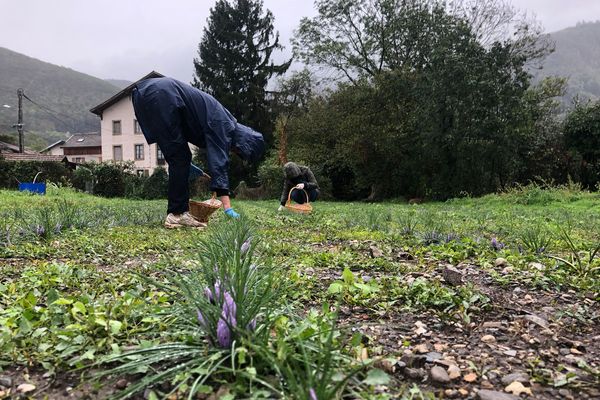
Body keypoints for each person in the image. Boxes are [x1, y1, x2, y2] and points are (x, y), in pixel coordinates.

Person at [132, 77, 265, 228]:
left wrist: (187, 166)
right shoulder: (225, 125)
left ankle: (177, 212)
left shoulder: (224, 121)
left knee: (180, 157)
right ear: (244, 142)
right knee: (180, 158)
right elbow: (219, 164)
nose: (234, 152)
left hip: (146, 95)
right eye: (238, 151)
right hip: (163, 96)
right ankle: (177, 214)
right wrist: (227, 207)